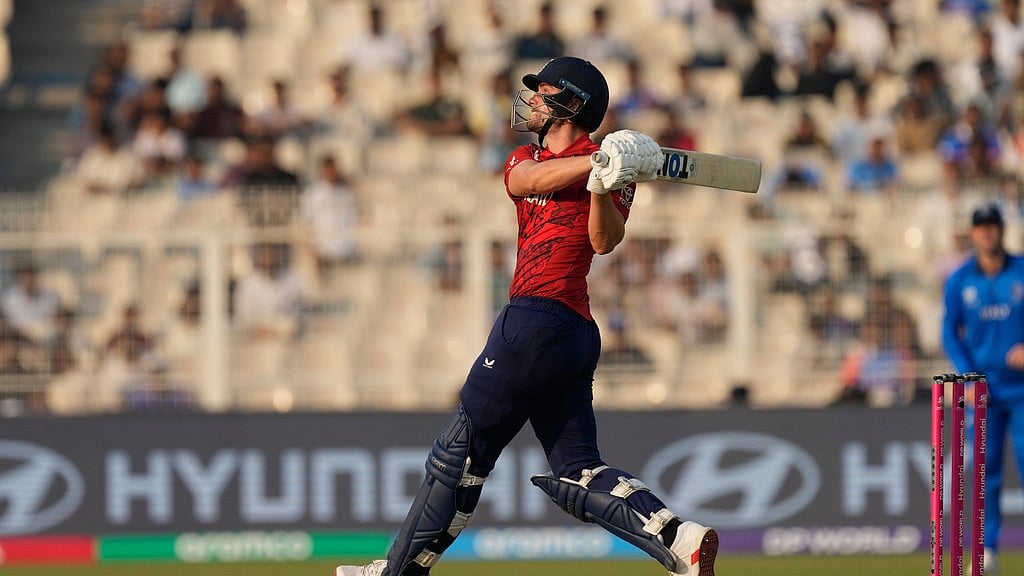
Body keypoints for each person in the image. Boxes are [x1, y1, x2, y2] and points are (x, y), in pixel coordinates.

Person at [333, 56, 717, 576]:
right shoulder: (529, 159)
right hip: (567, 334)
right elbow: (525, 181)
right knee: (579, 472)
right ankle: (679, 539)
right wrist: (597, 164)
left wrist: (606, 183)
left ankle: (398, 573)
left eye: (543, 91)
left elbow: (603, 242)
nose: (532, 100)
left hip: (538, 321)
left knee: (458, 457)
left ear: (570, 103)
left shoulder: (612, 168)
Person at [941, 203, 1024, 574]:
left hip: (1022, 391)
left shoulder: (1021, 270)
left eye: (993, 226)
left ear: (1002, 230)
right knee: (986, 472)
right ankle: (987, 547)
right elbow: (949, 333)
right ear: (972, 233)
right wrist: (968, 376)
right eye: (981, 227)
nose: (987, 232)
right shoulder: (960, 281)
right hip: (985, 392)